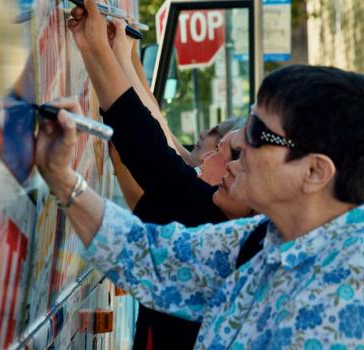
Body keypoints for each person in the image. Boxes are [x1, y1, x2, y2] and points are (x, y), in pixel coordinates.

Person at [35, 1, 364, 348]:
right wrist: (60, 176)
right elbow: (148, 255)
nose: (235, 140)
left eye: (256, 132)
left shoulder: (346, 310)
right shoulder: (259, 240)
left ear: (314, 171)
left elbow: (157, 162)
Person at [85, 13, 252, 350]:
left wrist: (108, 52)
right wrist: (120, 55)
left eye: (230, 152)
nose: (205, 157)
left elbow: (153, 153)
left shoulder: (217, 224)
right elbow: (156, 143)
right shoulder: (233, 224)